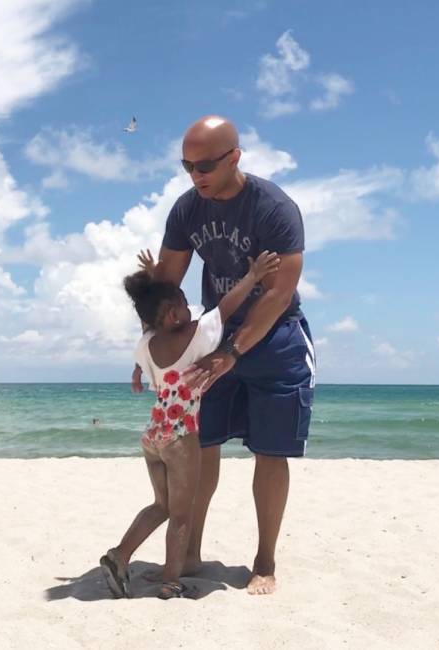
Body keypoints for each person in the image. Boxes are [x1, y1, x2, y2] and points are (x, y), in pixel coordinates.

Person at [134, 115, 316, 596]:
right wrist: (148, 349)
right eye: (187, 166)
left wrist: (233, 352)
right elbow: (166, 290)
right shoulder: (188, 209)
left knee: (271, 452)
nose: (196, 175)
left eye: (206, 165)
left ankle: (265, 560)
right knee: (200, 445)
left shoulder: (274, 209)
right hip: (212, 336)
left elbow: (277, 293)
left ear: (234, 157)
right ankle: (190, 552)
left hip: (275, 338)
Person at [100, 248, 280, 600]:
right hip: (181, 436)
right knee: (182, 514)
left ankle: (119, 556)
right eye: (183, 304)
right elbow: (226, 306)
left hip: (153, 435)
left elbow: (149, 322)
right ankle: (171, 581)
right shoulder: (196, 335)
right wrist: (253, 276)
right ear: (172, 314)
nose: (190, 309)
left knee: (161, 506)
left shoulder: (146, 345)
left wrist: (155, 282)